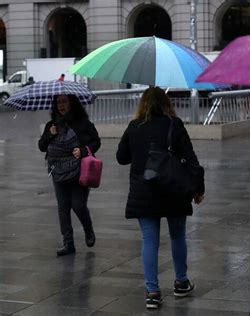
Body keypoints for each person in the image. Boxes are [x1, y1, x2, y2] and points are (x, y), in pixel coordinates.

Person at [116, 87, 205, 309]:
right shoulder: (174, 125)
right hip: (173, 189)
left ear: (143, 104)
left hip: (143, 192)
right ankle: (181, 282)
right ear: (166, 103)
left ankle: (152, 292)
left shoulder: (134, 126)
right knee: (177, 236)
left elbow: (121, 157)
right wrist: (198, 188)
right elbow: (191, 160)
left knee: (150, 240)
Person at [38, 95, 101, 256]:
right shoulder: (52, 125)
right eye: (58, 102)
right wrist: (50, 135)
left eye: (64, 101)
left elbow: (96, 142)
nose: (61, 105)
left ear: (72, 103)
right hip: (57, 171)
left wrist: (84, 150)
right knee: (63, 208)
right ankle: (68, 243)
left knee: (78, 205)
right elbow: (42, 146)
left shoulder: (82, 124)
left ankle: (88, 230)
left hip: (78, 171)